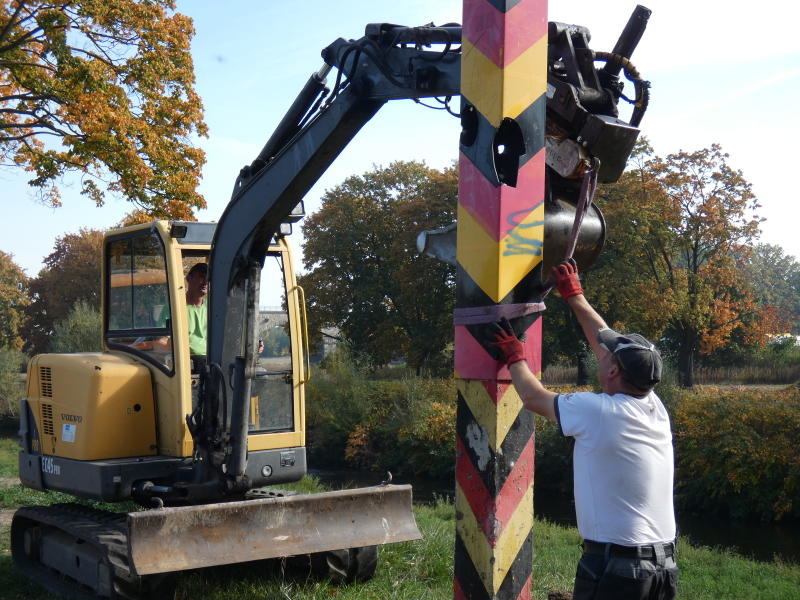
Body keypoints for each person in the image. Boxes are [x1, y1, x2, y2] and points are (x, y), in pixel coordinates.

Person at [492, 259, 678, 600]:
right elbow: (606, 344)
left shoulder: (597, 410)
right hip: (663, 565)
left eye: (608, 357)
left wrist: (514, 358)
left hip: (618, 569)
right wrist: (574, 296)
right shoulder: (654, 407)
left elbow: (533, 398)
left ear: (612, 372)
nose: (601, 353)